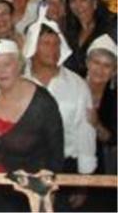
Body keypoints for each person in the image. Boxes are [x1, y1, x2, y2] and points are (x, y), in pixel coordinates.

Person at [0, 38, 65, 211]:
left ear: (19, 65)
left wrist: (48, 195)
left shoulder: (43, 103)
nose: (2, 71)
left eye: (7, 64)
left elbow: (56, 156)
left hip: (24, 196)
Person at [24, 17, 96, 209]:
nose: (53, 49)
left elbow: (85, 132)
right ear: (32, 47)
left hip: (65, 169)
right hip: (24, 169)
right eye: (46, 43)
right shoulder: (20, 82)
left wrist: (83, 181)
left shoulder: (77, 85)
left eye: (56, 43)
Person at [64, 0, 117, 76]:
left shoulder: (111, 28)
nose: (78, 6)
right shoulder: (69, 31)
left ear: (94, 3)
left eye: (83, 0)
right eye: (73, 0)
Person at [85, 35, 117, 211]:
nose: (100, 70)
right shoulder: (72, 86)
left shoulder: (114, 97)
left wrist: (97, 124)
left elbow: (113, 139)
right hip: (68, 164)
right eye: (96, 63)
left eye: (107, 66)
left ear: (114, 71)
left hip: (105, 169)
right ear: (87, 63)